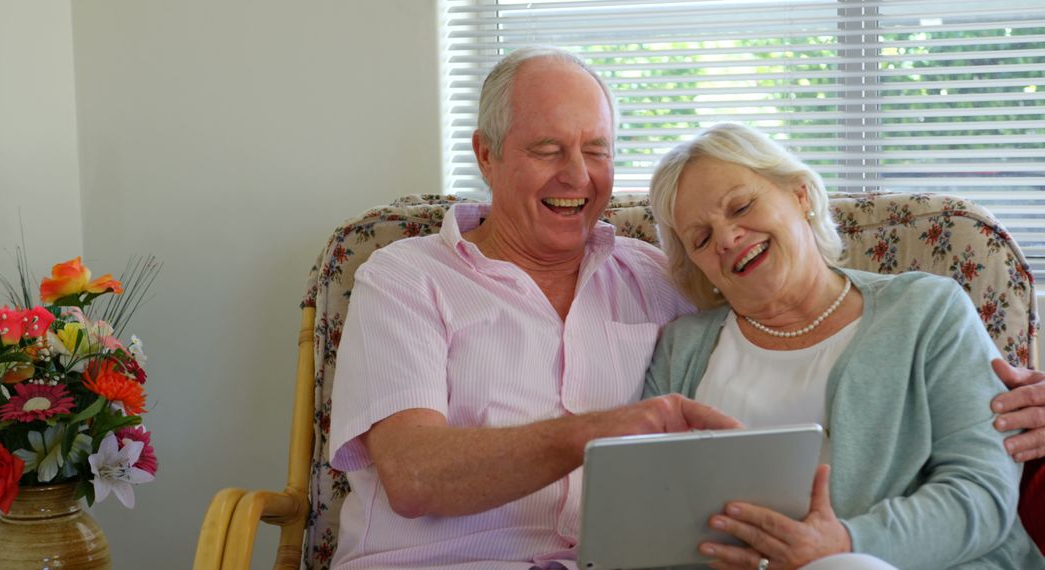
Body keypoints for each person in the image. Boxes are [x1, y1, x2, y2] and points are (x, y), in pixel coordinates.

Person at [327, 46, 1045, 568]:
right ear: (486, 155)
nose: (577, 176)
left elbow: (975, 451)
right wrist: (600, 432)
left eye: (597, 150)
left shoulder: (657, 279)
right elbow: (415, 476)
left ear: (798, 192)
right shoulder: (405, 277)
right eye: (547, 149)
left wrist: (1024, 401)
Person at [644, 122, 1045, 569]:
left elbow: (982, 493)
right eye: (701, 238)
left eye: (740, 207)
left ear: (798, 195)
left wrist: (845, 544)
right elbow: (649, 508)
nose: (725, 238)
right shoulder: (680, 350)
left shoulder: (927, 312)